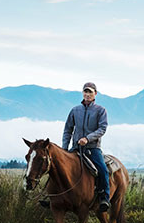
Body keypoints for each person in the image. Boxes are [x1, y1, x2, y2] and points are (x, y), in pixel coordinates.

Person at [42, 82, 110, 211]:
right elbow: (68, 130)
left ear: (95, 94)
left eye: (90, 92)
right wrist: (64, 149)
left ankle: (104, 198)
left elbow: (102, 128)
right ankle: (50, 196)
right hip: (75, 148)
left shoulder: (101, 110)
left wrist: (87, 138)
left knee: (103, 170)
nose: (87, 94)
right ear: (82, 93)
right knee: (57, 168)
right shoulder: (75, 110)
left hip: (93, 148)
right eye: (85, 91)